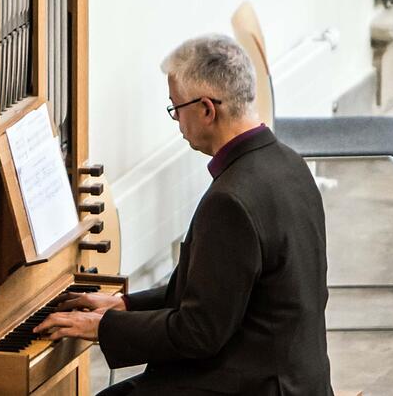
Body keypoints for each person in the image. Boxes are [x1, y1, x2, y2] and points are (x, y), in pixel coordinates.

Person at [34, 34, 334, 396]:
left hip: (256, 384)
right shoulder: (288, 163)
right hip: (295, 379)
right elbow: (213, 291)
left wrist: (101, 328)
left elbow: (199, 333)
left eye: (176, 107)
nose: (176, 119)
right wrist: (124, 304)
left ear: (207, 109)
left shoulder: (231, 201)